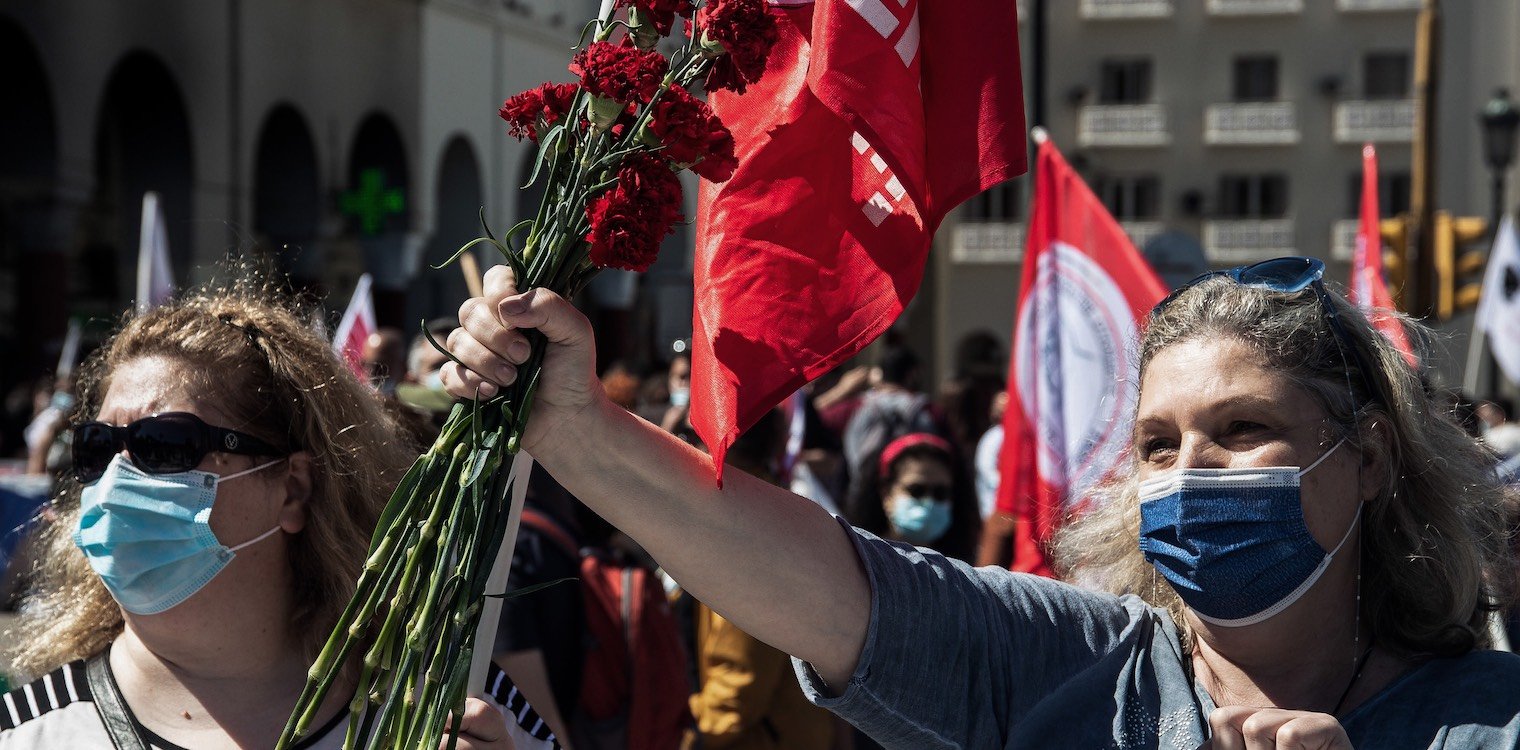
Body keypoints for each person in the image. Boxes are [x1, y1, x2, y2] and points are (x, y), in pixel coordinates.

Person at [443, 258, 1520, 748]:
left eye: (1240, 432)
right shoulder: (1062, 666)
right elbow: (822, 581)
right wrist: (571, 429)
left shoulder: (1489, 717)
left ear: (1369, 456)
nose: (1188, 472)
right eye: (1155, 445)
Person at [0, 275, 543, 749]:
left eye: (164, 445)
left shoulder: (452, 707)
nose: (117, 481)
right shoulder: (25, 732)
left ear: (293, 489)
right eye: (95, 446)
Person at [684, 409, 835, 750]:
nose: (684, 445)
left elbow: (736, 693)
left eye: (690, 434)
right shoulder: (766, 509)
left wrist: (687, 732)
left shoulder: (745, 533)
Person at [842, 433, 980, 564]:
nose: (929, 502)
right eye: (916, 491)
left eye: (940, 493)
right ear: (886, 493)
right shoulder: (857, 562)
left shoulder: (961, 574)